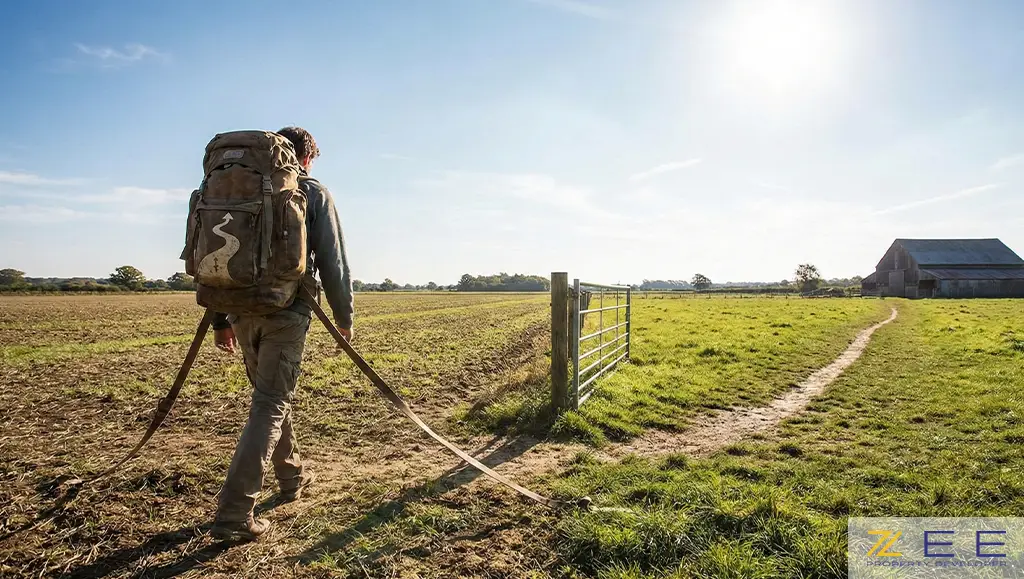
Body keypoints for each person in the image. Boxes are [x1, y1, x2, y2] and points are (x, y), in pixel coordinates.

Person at [209, 126, 354, 542]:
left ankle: (291, 478)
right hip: (287, 312)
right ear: (307, 156)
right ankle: (235, 514)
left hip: (239, 310)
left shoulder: (232, 189)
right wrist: (344, 316)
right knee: (271, 402)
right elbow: (333, 261)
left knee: (270, 396)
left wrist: (221, 321)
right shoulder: (311, 191)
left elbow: (217, 260)